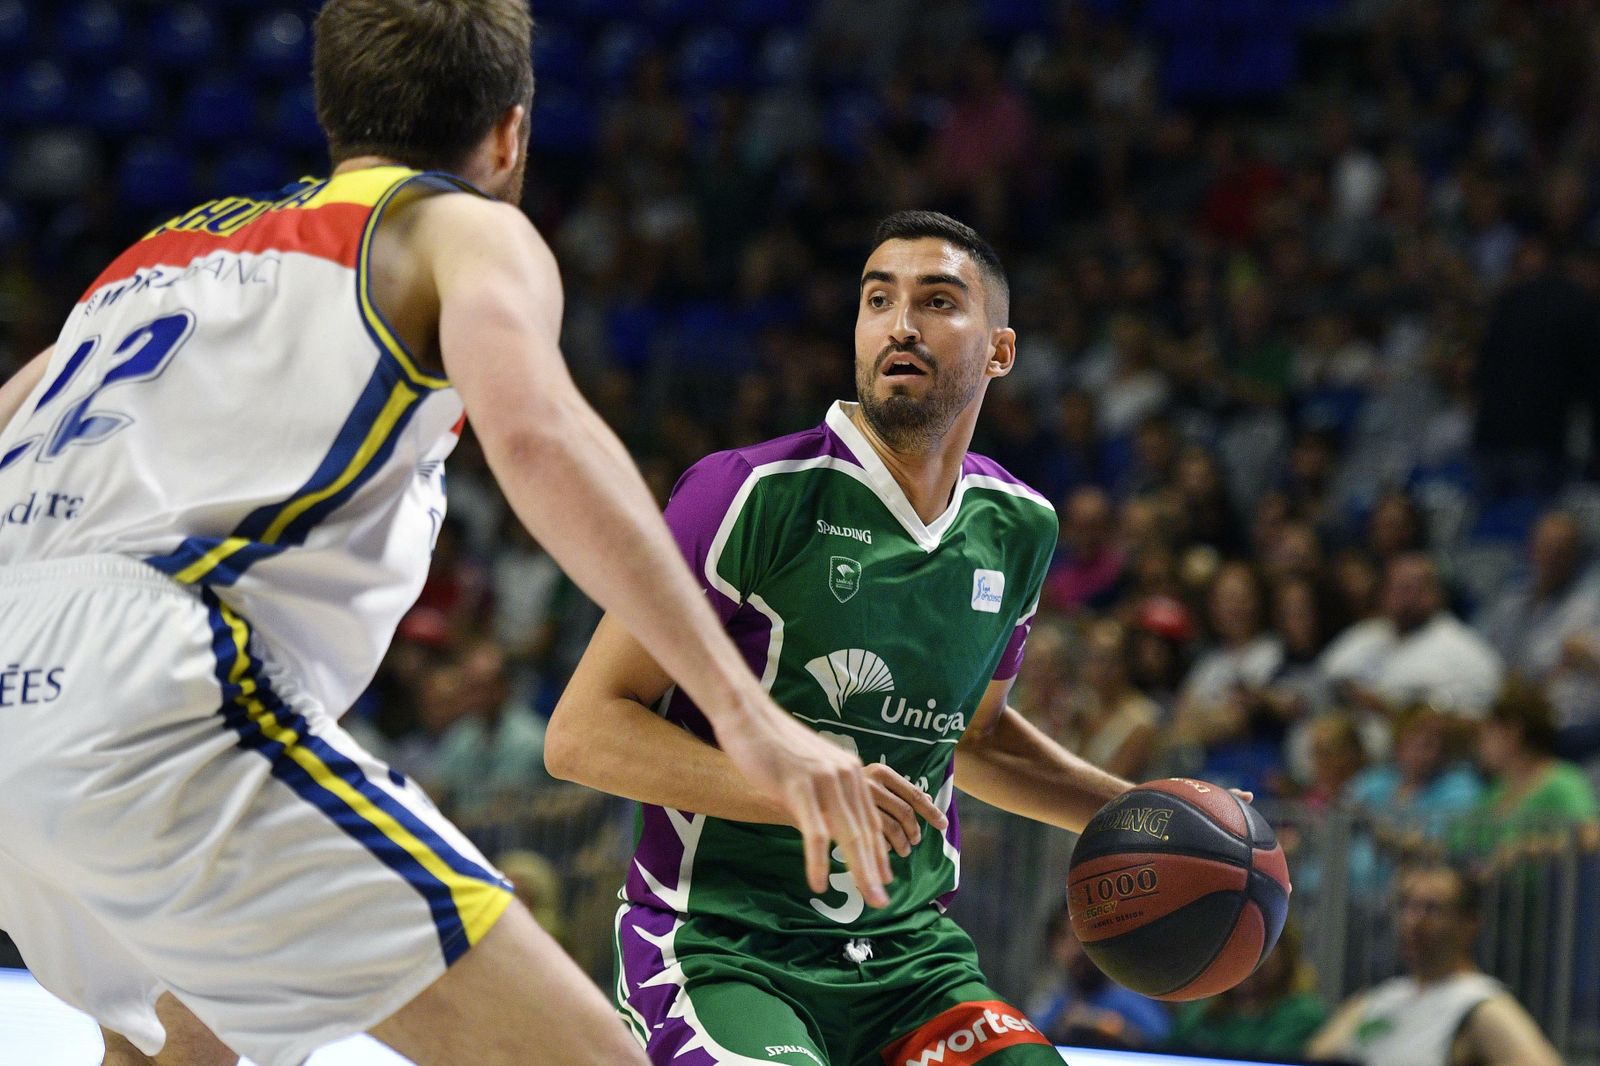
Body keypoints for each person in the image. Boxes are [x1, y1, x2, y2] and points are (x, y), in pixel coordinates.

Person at [0, 3, 888, 1065]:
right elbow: (538, 435)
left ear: (334, 112)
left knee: (181, 1045)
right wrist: (743, 715)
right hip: (152, 680)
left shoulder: (156, 256)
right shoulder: (455, 226)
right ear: (510, 134)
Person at [546, 211, 1144, 1065]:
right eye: (877, 300)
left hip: (913, 963)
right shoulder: (749, 493)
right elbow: (582, 733)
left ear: (1001, 352)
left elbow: (972, 739)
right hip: (723, 948)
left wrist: (1139, 811)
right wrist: (805, 792)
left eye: (938, 301)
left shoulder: (1019, 525)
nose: (901, 323)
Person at [1306, 863, 1563, 1066]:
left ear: (1469, 924)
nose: (1413, 921)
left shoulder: (1480, 1004)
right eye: (1407, 906)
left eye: (1431, 909)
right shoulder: (1378, 998)